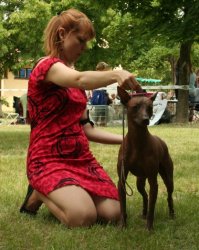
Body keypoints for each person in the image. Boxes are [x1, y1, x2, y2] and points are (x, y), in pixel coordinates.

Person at [19, 8, 141, 228]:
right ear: (63, 34)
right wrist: (115, 74)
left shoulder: (74, 81)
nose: (84, 48)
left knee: (115, 214)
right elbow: (79, 79)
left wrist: (127, 140)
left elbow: (87, 129)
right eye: (81, 40)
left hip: (80, 158)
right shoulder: (47, 67)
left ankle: (71, 191)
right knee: (83, 217)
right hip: (47, 159)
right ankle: (38, 192)